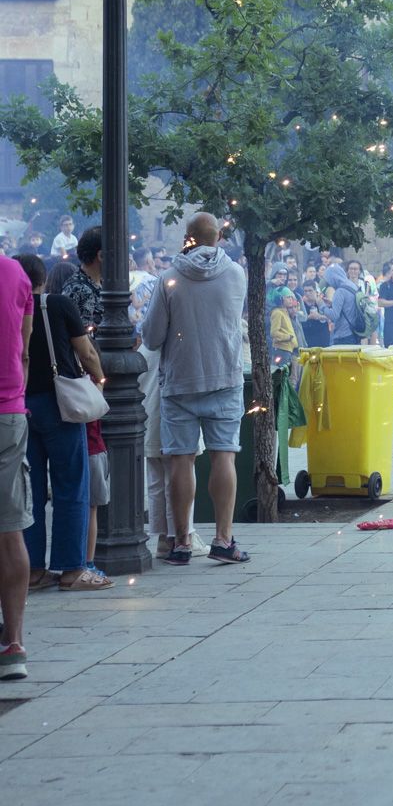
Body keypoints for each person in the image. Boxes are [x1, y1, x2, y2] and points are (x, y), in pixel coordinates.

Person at [142, 213, 250, 566]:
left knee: (181, 460)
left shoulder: (170, 278)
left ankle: (182, 542)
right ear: (218, 235)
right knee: (224, 455)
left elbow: (153, 336)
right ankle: (223, 538)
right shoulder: (236, 274)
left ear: (188, 237)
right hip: (224, 376)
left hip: (181, 381)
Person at [16, 253, 109, 590]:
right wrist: (99, 382)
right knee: (71, 486)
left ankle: (33, 569)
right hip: (61, 405)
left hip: (21, 404)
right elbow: (86, 353)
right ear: (42, 278)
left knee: (32, 490)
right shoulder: (57, 305)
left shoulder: (11, 307)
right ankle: (71, 568)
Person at [0, 251, 34, 679]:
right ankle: (14, 644)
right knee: (10, 530)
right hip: (9, 409)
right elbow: (23, 350)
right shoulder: (14, 272)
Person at [322, 263, 363, 346]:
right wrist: (332, 304)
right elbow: (348, 306)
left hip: (343, 336)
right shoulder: (352, 285)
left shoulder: (340, 291)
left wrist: (321, 305)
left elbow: (334, 315)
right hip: (354, 332)